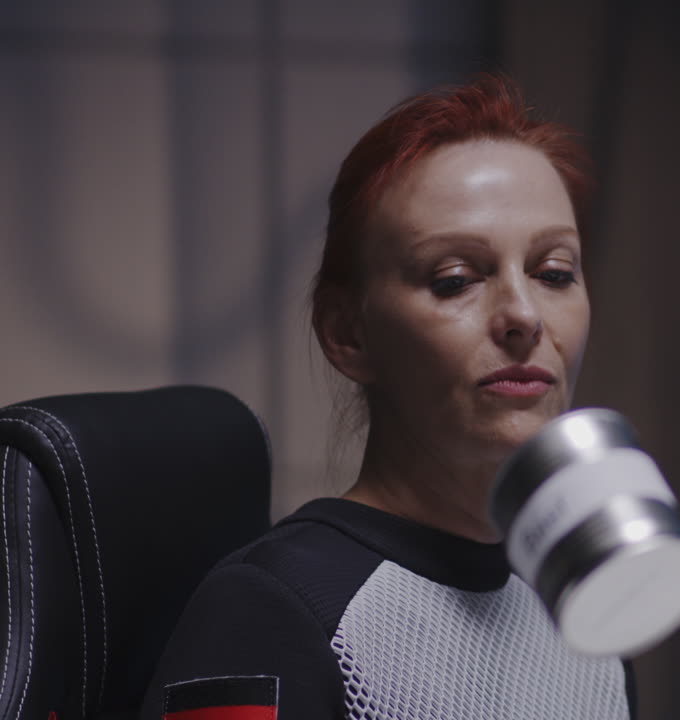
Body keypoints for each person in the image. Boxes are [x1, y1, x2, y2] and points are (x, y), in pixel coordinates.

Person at [140, 75, 636, 719]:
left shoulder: (582, 601)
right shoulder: (271, 607)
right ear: (347, 333)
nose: (523, 314)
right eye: (455, 279)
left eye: (553, 274)